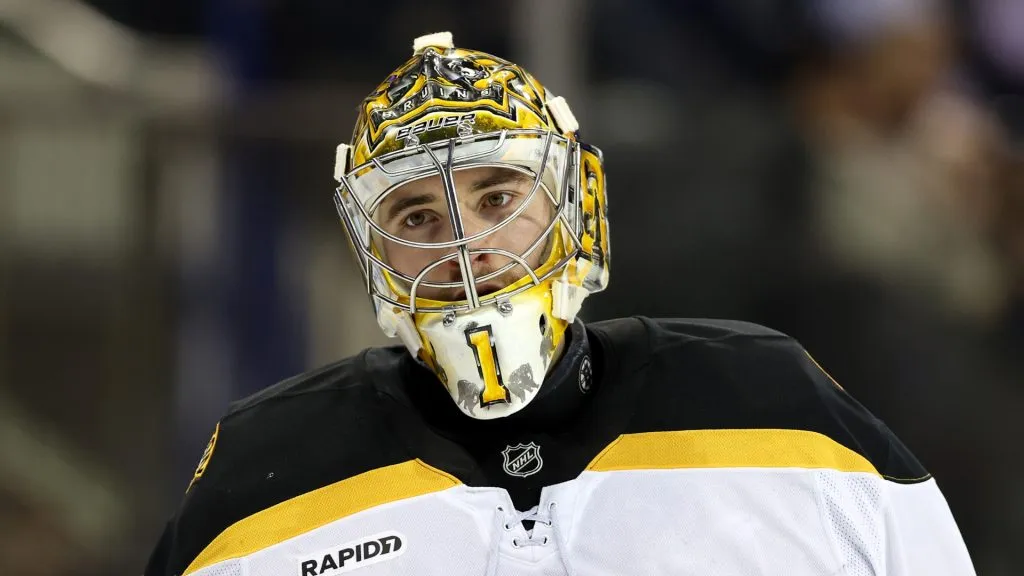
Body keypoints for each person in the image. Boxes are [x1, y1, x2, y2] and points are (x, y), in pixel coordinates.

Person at [145, 32, 976, 576]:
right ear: (374, 254)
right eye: (416, 216)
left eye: (498, 197)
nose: (463, 245)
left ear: (574, 205)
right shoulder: (262, 479)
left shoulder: (776, 408)